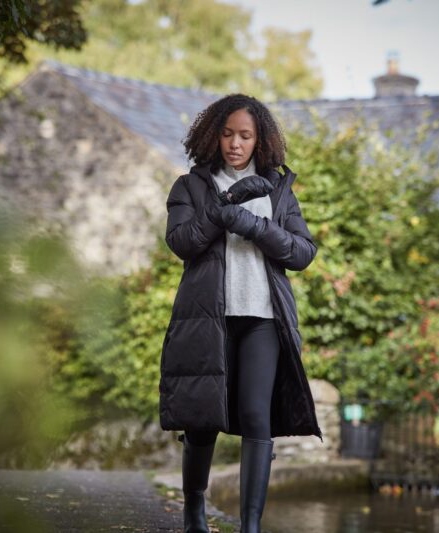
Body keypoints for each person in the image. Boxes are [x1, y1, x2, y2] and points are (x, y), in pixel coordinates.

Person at [159, 93, 322, 533]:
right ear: (214, 135)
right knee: (202, 421)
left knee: (256, 416)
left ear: (259, 140)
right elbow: (182, 242)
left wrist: (254, 224)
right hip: (208, 318)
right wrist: (225, 204)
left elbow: (303, 252)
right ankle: (195, 513)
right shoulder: (189, 186)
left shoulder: (278, 189)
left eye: (245, 135)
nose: (235, 143)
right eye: (228, 133)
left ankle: (250, 526)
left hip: (262, 318)